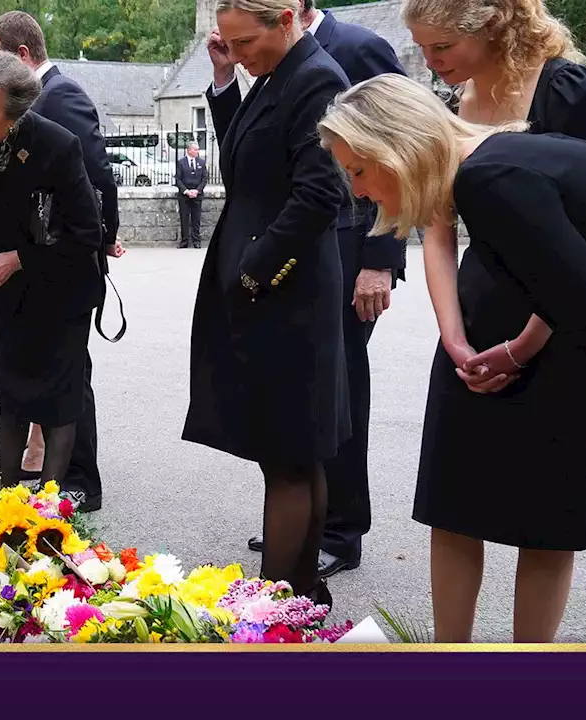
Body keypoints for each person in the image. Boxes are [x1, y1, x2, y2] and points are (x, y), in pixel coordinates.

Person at [395, 0, 586, 641]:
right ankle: (450, 660)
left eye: (440, 50)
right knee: (453, 502)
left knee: (549, 510)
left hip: (566, 320)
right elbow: (438, 233)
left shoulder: (570, 89)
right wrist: (453, 336)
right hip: (475, 315)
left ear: (489, 29)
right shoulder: (454, 99)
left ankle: (528, 673)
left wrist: (524, 345)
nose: (431, 66)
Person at [181, 0, 349, 609]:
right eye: (230, 44)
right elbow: (247, 154)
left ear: (286, 18)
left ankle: (275, 606)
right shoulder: (280, 75)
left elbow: (320, 194)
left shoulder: (317, 79)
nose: (240, 53)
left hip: (288, 290)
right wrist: (228, 80)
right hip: (274, 285)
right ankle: (303, 592)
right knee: (293, 451)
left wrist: (254, 275)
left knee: (288, 454)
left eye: (246, 42)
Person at [247, 0, 409, 579]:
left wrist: (382, 260)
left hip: (349, 256)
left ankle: (342, 529)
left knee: (340, 396)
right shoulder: (270, 63)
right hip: (305, 259)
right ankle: (305, 525)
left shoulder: (360, 48)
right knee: (306, 400)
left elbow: (402, 154)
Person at [0, 10, 123, 512]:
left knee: (67, 377)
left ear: (21, 57)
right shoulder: (3, 109)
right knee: (36, 372)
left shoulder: (63, 97)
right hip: (22, 267)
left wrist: (105, 239)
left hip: (61, 262)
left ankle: (80, 479)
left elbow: (97, 178)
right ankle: (45, 470)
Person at [0, 49, 104, 493]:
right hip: (6, 290)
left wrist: (18, 258)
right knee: (11, 395)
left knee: (58, 400)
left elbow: (85, 234)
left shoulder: (57, 146)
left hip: (62, 284)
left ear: (15, 115)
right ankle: (7, 499)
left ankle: (50, 507)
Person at [174, 143, 207, 249]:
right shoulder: (181, 163)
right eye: (195, 149)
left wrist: (197, 190)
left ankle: (196, 241)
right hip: (184, 196)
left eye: (198, 149)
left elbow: (204, 178)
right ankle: (184, 241)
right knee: (184, 218)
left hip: (197, 195)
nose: (198, 151)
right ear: (189, 150)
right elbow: (178, 179)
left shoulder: (201, 162)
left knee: (196, 219)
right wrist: (186, 191)